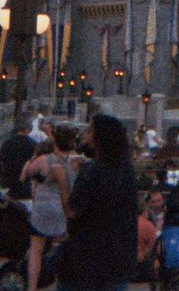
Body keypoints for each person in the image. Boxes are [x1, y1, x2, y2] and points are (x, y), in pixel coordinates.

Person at [63, 114, 138, 291]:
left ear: (99, 138)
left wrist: (65, 180)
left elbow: (73, 210)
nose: (85, 134)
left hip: (89, 253)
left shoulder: (92, 170)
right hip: (120, 251)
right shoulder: (127, 170)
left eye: (90, 130)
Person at [22, 125, 75, 291]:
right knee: (59, 247)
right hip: (61, 206)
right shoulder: (73, 161)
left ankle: (32, 286)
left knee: (36, 250)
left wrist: (31, 161)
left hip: (43, 205)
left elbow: (27, 174)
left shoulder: (44, 159)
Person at [0, 116, 39, 201]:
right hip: (25, 186)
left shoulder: (6, 143)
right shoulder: (34, 145)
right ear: (29, 128)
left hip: (7, 185)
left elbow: (2, 163)